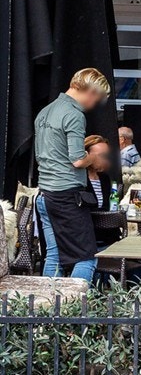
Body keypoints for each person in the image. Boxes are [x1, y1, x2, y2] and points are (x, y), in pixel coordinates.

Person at [32, 68, 112, 282]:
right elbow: (77, 159)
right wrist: (92, 159)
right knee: (87, 258)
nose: (95, 105)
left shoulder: (45, 112)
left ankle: (46, 309)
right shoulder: (74, 115)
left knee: (54, 255)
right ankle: (73, 310)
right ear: (91, 91)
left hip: (44, 195)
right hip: (66, 195)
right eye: (98, 98)